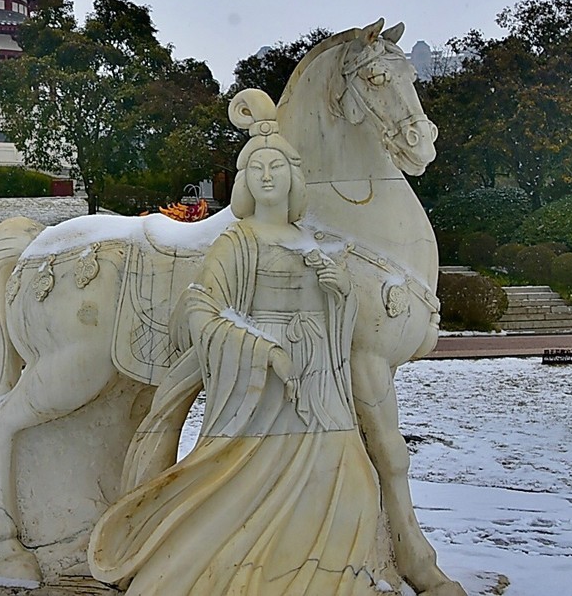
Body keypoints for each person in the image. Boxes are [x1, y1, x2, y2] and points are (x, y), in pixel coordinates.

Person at [89, 93, 383, 595]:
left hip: (317, 392)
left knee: (355, 480)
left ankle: (324, 580)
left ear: (294, 177)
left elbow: (339, 320)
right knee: (238, 491)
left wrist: (340, 294)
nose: (267, 176)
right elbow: (203, 311)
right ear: (245, 181)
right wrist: (265, 352)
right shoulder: (236, 242)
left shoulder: (310, 243)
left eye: (277, 167)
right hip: (257, 397)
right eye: (257, 168)